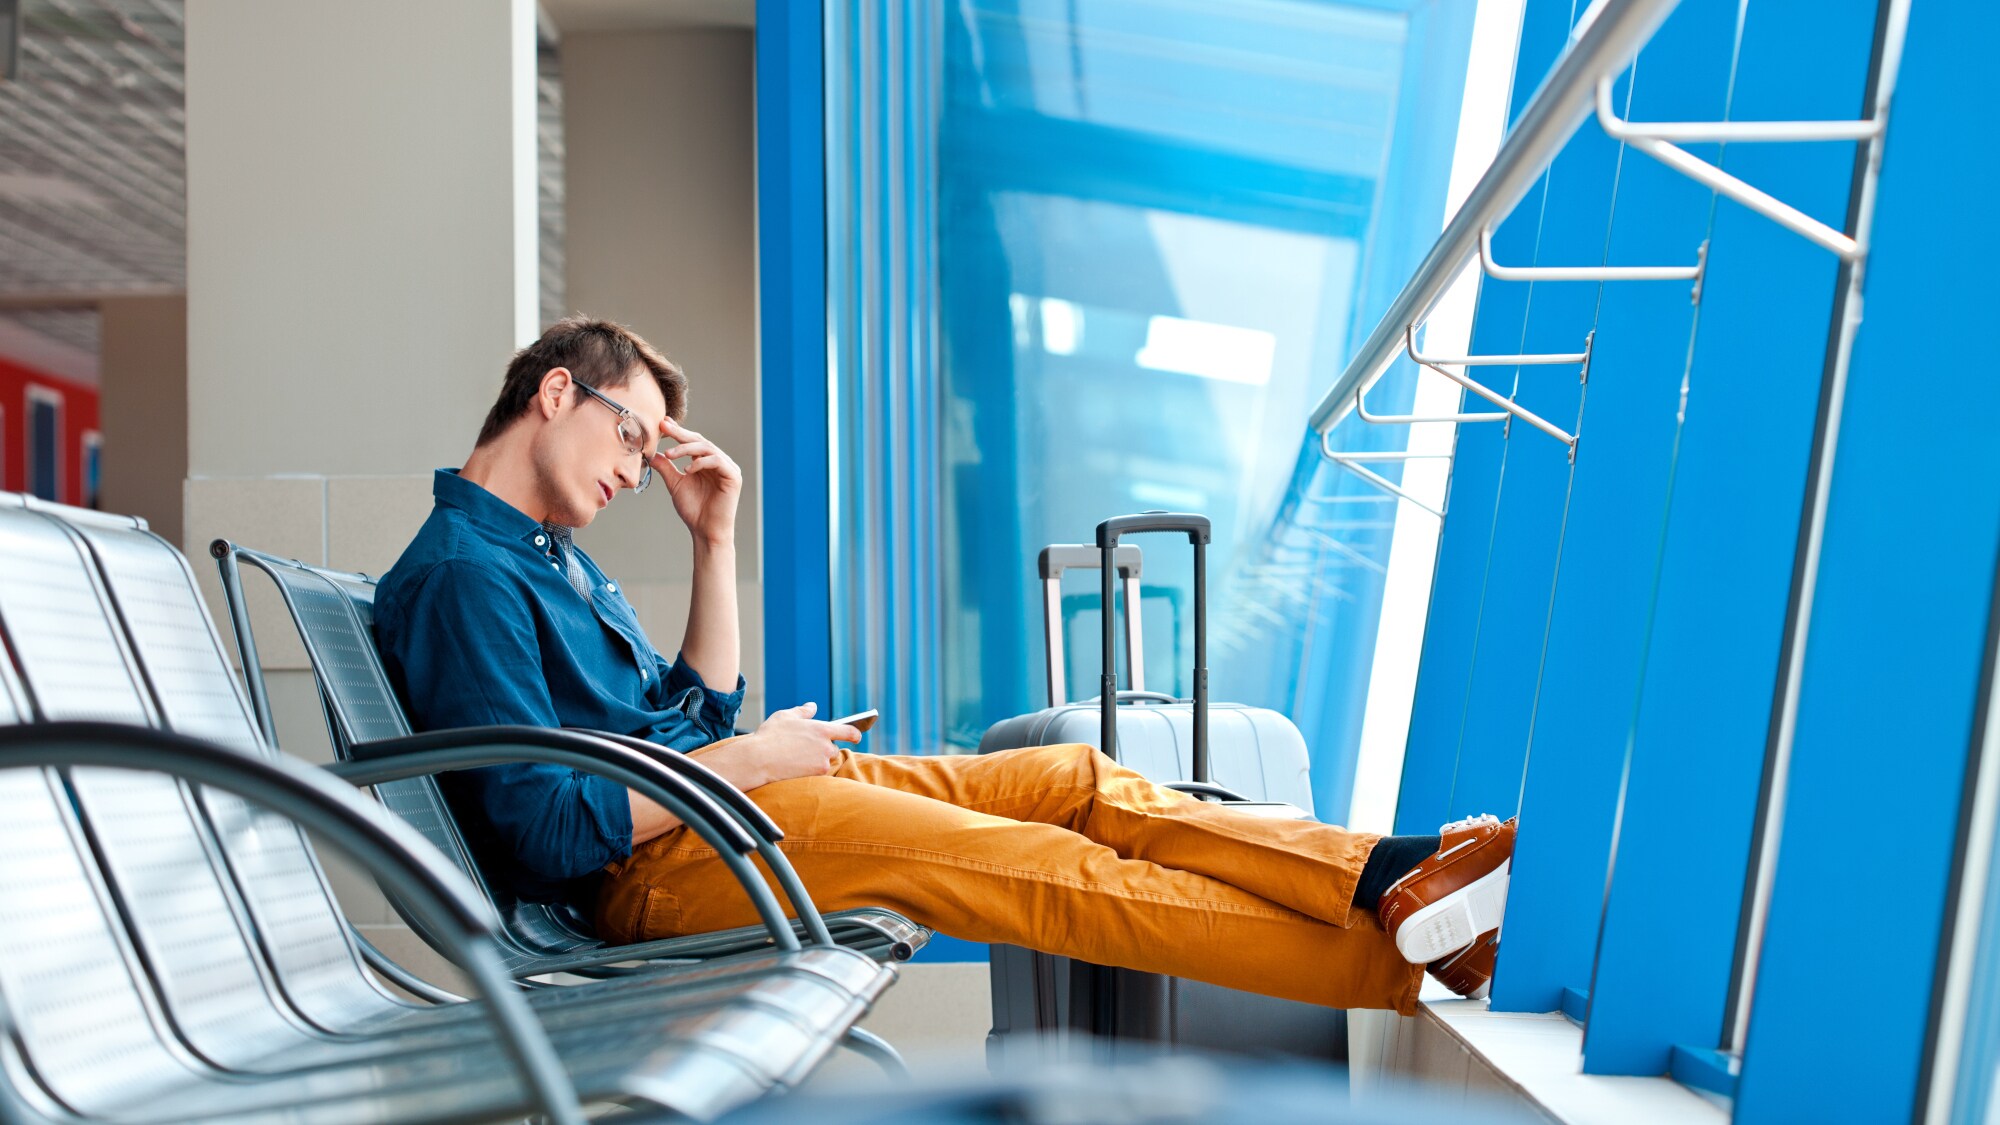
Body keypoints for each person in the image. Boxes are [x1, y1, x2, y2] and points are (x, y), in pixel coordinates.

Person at [374, 317, 1516, 1013]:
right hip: (663, 868)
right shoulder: (467, 578)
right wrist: (749, 757)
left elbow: (689, 709)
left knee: (1069, 781)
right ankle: (1398, 966)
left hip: (723, 807)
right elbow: (545, 832)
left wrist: (713, 539)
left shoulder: (544, 561)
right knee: (1031, 868)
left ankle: (1382, 874)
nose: (637, 469)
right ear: (556, 393)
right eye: (632, 435)